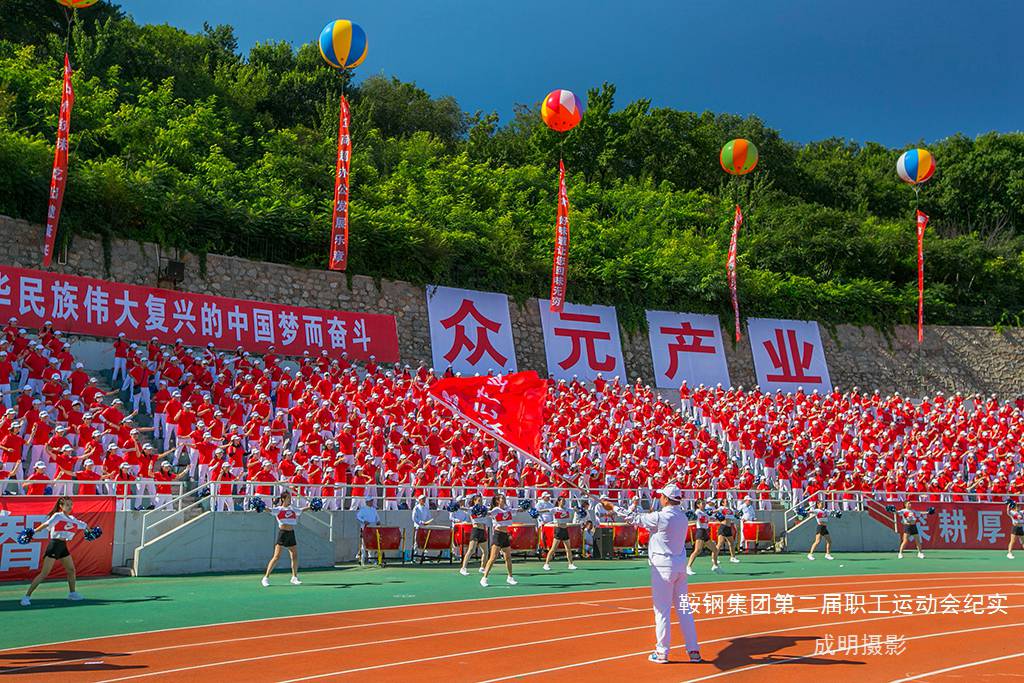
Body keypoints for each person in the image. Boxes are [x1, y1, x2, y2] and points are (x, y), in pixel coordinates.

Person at [609, 484, 701, 664]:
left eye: (661, 496)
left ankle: (662, 652)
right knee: (684, 610)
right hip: (679, 567)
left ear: (666, 499)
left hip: (663, 568)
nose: (659, 498)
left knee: (662, 610)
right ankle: (693, 650)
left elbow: (633, 518)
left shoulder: (661, 517)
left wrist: (613, 507)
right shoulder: (682, 517)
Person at [20, 497, 88, 606]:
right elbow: (46, 524)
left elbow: (83, 525)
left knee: (71, 570)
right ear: (61, 506)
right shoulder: (57, 516)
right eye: (67, 505)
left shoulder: (71, 518)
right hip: (54, 545)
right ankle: (26, 596)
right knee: (44, 573)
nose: (70, 507)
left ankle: (72, 593)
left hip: (63, 546)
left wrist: (91, 530)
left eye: (71, 504)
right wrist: (33, 531)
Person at [261, 490, 311, 587]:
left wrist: (311, 507)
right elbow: (269, 510)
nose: (290, 499)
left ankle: (294, 577)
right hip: (283, 533)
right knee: (276, 557)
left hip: (291, 533)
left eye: (290, 498)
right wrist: (262, 507)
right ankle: (265, 578)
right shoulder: (279, 509)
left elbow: (301, 510)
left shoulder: (293, 509)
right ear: (283, 499)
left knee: (294, 555)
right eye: (288, 498)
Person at [480, 494, 518, 587]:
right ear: (497, 501)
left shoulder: (507, 509)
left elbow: (517, 510)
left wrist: (526, 509)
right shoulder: (495, 510)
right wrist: (482, 511)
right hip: (498, 535)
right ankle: (484, 578)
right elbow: (488, 513)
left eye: (504, 498)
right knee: (493, 558)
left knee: (508, 557)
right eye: (502, 498)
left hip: (505, 535)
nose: (504, 499)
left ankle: (510, 577)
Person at [543, 496, 578, 571]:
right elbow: (546, 510)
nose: (564, 502)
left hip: (565, 530)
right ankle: (546, 564)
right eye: (562, 501)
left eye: (564, 501)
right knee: (553, 548)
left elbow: (575, 510)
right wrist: (537, 511)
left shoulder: (567, 509)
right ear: (559, 502)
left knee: (568, 548)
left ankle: (570, 564)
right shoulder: (555, 509)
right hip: (558, 530)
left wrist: (578, 509)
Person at [686, 499, 720, 576]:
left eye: (704, 503)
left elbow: (709, 515)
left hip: (705, 532)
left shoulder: (705, 512)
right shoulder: (698, 512)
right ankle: (688, 567)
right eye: (702, 503)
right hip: (700, 531)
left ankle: (715, 565)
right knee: (697, 550)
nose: (704, 504)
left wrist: (715, 512)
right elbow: (698, 519)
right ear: (698, 505)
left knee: (715, 549)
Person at [459, 494, 489, 576]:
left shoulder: (484, 508)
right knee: (471, 550)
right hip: (476, 530)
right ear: (474, 501)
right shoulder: (472, 509)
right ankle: (463, 568)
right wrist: (457, 506)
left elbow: (491, 512)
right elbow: (464, 508)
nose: (480, 502)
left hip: (483, 530)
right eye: (479, 500)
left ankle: (482, 568)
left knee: (485, 551)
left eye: (481, 500)